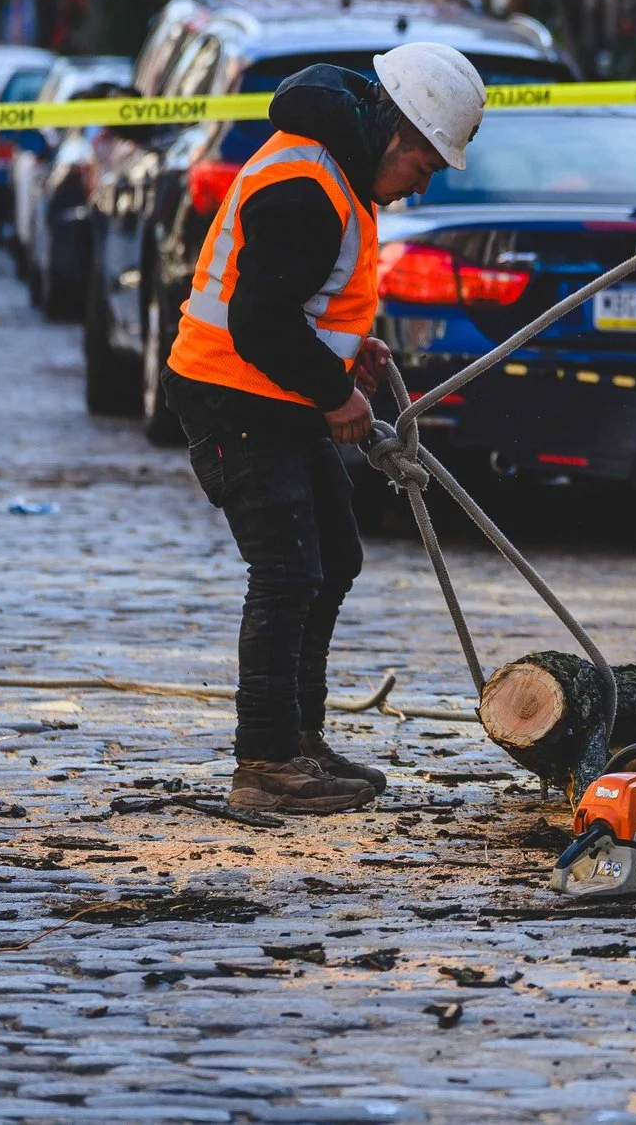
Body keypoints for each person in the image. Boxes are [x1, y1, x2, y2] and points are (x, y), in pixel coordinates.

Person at [163, 43, 487, 814]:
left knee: (332, 556)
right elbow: (257, 319)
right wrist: (334, 391)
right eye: (424, 168)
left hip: (272, 394)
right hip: (233, 395)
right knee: (286, 570)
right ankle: (267, 760)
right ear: (396, 136)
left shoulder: (335, 171)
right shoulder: (308, 184)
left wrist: (347, 351)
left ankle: (300, 738)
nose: (418, 187)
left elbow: (295, 303)